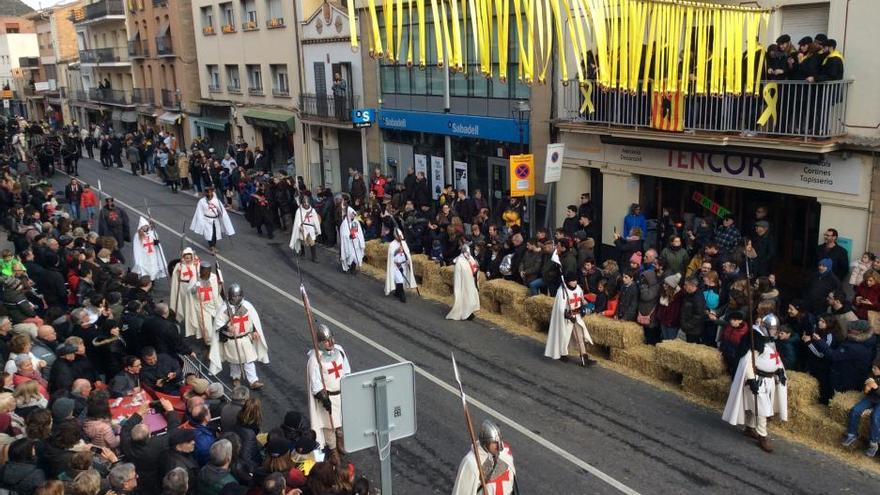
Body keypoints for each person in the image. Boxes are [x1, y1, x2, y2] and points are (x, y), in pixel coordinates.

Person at [722, 315, 788, 453]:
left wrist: (780, 370)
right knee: (763, 408)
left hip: (769, 380)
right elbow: (747, 363)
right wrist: (751, 380)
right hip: (757, 379)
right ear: (766, 328)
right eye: (773, 328)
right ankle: (762, 436)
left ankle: (750, 428)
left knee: (758, 406)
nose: (775, 331)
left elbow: (775, 358)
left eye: (776, 329)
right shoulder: (756, 342)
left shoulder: (770, 341)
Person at [209, 283, 269, 390]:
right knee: (234, 361)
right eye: (234, 297)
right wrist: (227, 328)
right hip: (232, 340)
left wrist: (255, 331)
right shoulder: (224, 308)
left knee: (249, 360)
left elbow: (254, 320)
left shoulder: (247, 306)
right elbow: (218, 324)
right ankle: (236, 377)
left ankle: (253, 381)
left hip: (245, 338)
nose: (236, 299)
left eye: (238, 296)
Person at [307, 324, 350, 458]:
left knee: (342, 421)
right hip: (328, 397)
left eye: (331, 338)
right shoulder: (315, 359)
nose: (330, 342)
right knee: (329, 425)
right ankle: (333, 450)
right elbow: (315, 381)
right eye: (326, 340)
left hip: (341, 394)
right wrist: (323, 396)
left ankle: (340, 440)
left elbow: (346, 370)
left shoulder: (339, 350)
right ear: (320, 343)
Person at [451, 420, 516, 495]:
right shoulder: (471, 462)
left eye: (499, 440)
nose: (499, 445)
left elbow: (511, 479)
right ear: (486, 443)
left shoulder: (505, 452)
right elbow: (463, 491)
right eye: (494, 442)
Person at [545, 273, 596, 366]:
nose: (575, 282)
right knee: (564, 336)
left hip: (577, 316)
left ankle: (584, 358)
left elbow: (581, 299)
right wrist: (568, 315)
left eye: (576, 280)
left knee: (579, 337)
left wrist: (583, 308)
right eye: (572, 281)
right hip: (567, 318)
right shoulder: (562, 292)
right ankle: (562, 353)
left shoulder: (578, 288)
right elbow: (560, 308)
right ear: (568, 282)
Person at [841, 359, 880, 457]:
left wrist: (876, 388)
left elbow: (876, 388)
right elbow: (867, 391)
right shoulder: (872, 375)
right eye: (873, 367)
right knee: (855, 410)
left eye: (875, 368)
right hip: (872, 398)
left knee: (875, 416)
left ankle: (873, 443)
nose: (873, 369)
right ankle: (851, 434)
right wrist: (866, 389)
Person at [190, 186, 235, 254]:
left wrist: (223, 219)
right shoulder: (202, 201)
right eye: (206, 192)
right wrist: (201, 221)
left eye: (209, 192)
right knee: (209, 234)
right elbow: (199, 212)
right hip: (207, 220)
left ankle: (213, 245)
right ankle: (212, 247)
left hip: (215, 220)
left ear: (212, 192)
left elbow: (221, 211)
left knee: (215, 233)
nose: (208, 194)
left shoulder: (216, 201)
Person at [187, 263, 221, 343]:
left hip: (213, 303)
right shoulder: (195, 278)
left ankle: (219, 339)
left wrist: (220, 283)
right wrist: (195, 287)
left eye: (208, 272)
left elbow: (217, 290)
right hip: (202, 306)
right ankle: (208, 343)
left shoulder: (213, 277)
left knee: (220, 322)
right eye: (204, 272)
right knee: (206, 327)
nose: (206, 274)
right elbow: (190, 292)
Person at [447, 244, 480, 321]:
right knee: (465, 297)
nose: (468, 254)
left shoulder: (470, 258)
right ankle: (465, 313)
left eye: (469, 252)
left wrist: (476, 268)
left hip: (471, 282)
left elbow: (474, 267)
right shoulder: (459, 261)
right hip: (463, 284)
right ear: (463, 252)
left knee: (471, 297)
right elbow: (457, 276)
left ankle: (470, 311)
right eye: (466, 252)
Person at [131, 216, 168, 281]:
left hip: (152, 254)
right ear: (141, 227)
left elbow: (155, 239)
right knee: (146, 269)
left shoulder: (151, 232)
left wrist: (156, 242)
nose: (145, 227)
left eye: (146, 226)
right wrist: (138, 259)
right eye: (144, 226)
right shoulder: (137, 235)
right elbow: (137, 247)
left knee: (153, 268)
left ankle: (152, 280)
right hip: (144, 256)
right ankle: (146, 281)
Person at [171, 247, 200, 324]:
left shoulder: (195, 264)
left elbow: (199, 275)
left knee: (193, 304)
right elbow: (175, 277)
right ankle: (184, 317)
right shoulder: (179, 265)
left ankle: (193, 318)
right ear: (183, 257)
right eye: (186, 258)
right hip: (183, 287)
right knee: (184, 304)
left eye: (189, 258)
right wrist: (177, 271)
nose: (188, 260)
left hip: (193, 288)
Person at [289, 196, 321, 262]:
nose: (306, 204)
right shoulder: (299, 211)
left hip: (311, 228)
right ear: (302, 203)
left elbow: (316, 220)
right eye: (304, 202)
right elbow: (297, 221)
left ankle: (314, 257)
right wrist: (299, 226)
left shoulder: (312, 210)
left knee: (312, 242)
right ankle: (303, 253)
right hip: (303, 227)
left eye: (307, 202)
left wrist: (316, 229)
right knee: (303, 241)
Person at [339, 206, 365, 275]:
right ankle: (346, 267)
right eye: (352, 214)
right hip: (348, 243)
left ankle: (353, 269)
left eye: (354, 214)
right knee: (348, 255)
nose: (353, 215)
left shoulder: (356, 222)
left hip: (355, 243)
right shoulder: (345, 223)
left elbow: (359, 233)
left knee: (355, 256)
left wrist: (356, 236)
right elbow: (343, 234)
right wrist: (349, 236)